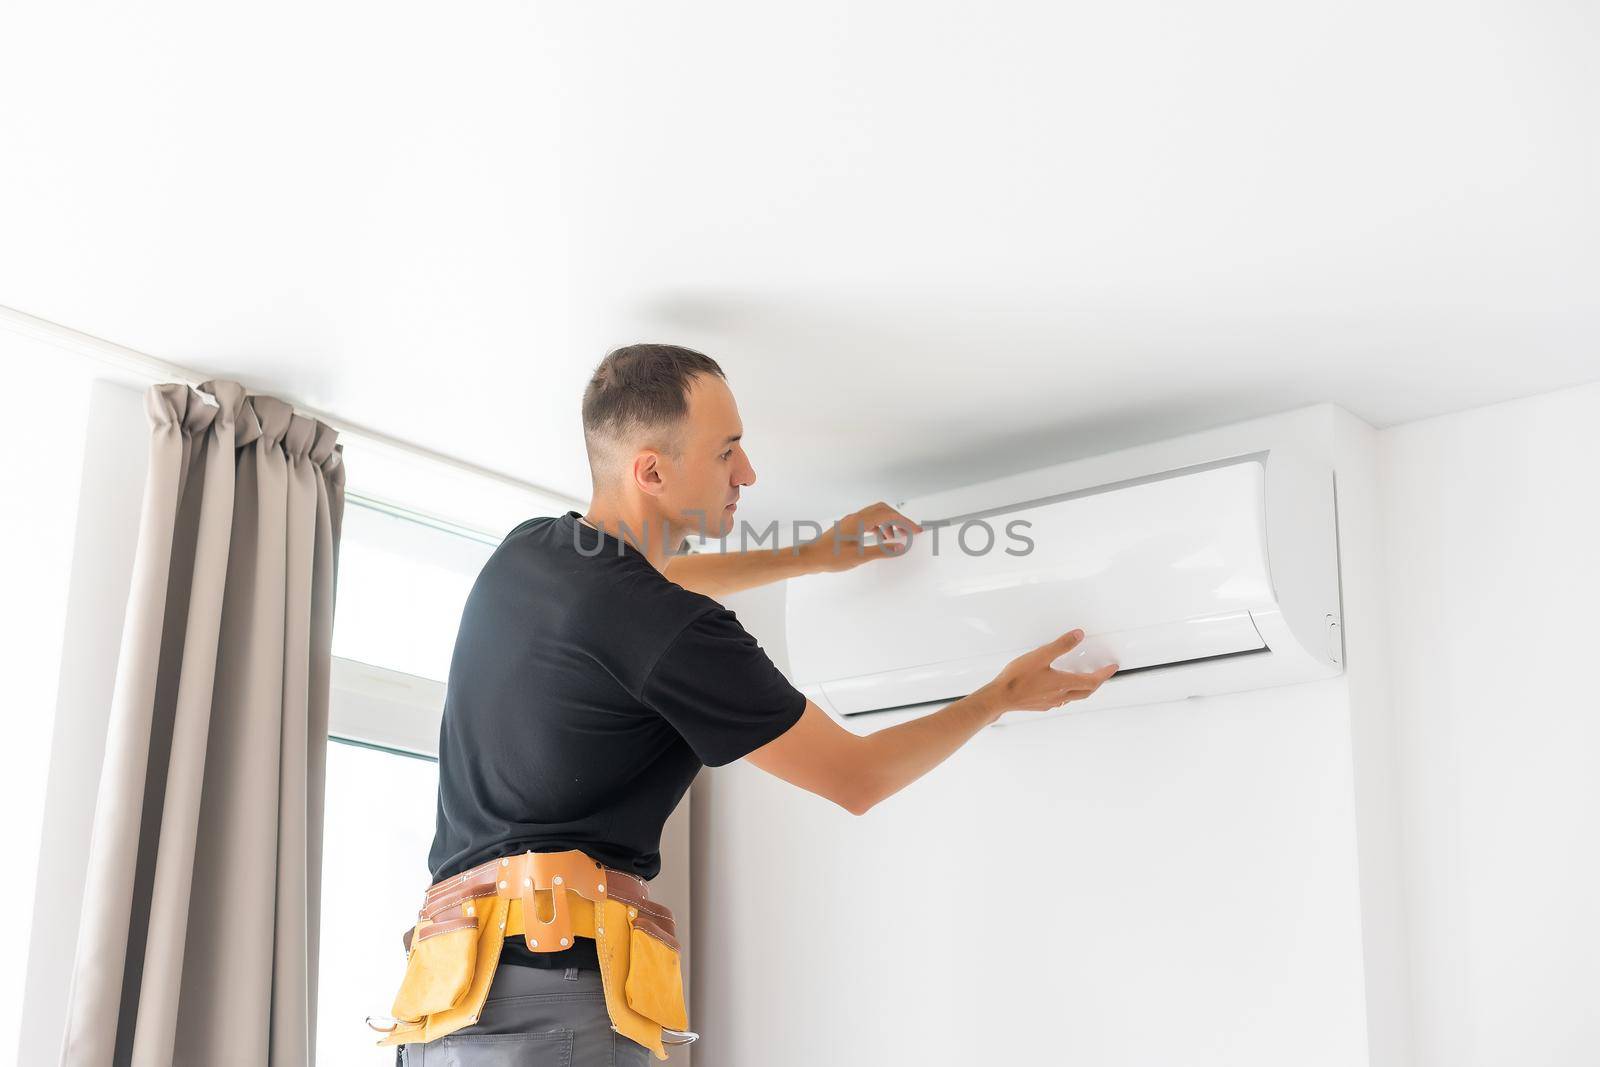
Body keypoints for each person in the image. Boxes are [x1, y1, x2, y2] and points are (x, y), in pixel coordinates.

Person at [393, 343, 1118, 1065]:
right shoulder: (674, 630)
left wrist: (815, 554)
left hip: (445, 1000)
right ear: (651, 469)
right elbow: (856, 777)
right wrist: (1000, 696)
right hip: (554, 1006)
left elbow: (652, 577)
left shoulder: (534, 552)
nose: (749, 473)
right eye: (726, 452)